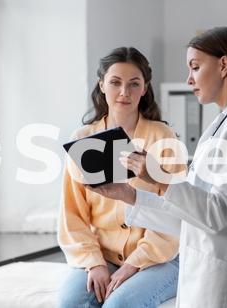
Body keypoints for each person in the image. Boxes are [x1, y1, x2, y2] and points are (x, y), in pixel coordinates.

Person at [90, 27, 227, 307]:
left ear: (224, 65)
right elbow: (192, 215)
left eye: (195, 67)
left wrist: (160, 178)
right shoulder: (221, 125)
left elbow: (223, 214)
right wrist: (128, 195)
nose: (189, 79)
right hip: (208, 273)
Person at [57, 47, 181, 308]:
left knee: (118, 305)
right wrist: (94, 263)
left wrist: (132, 266)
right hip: (103, 255)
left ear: (145, 88)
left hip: (160, 257)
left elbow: (175, 213)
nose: (124, 92)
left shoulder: (163, 136)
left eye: (134, 84)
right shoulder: (83, 140)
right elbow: (72, 215)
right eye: (115, 82)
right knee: (71, 303)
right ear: (102, 85)